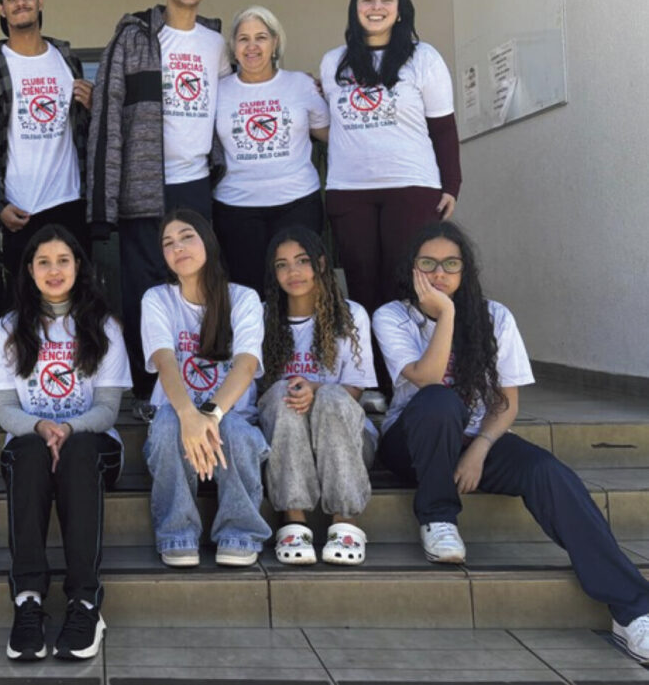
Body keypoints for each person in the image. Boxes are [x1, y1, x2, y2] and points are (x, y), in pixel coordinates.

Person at [374, 223, 649, 663]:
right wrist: (445, 314)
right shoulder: (393, 315)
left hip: (476, 441)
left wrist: (481, 448)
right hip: (413, 440)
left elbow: (506, 402)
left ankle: (633, 611)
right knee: (440, 400)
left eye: (450, 264)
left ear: (466, 270)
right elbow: (425, 379)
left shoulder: (495, 316)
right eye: (428, 264)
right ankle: (438, 516)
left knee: (548, 472)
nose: (439, 274)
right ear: (412, 270)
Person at [88, 0, 232, 403]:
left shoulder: (216, 45)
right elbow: (108, 111)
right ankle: (149, 389)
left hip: (195, 182)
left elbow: (235, 101)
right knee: (145, 289)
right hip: (142, 183)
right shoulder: (133, 37)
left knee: (197, 285)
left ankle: (198, 383)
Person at [0, 225, 130, 662]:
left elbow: (107, 410)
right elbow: (5, 410)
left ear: (78, 267)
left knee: (80, 451)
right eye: (43, 262)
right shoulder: (8, 329)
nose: (54, 270)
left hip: (93, 448)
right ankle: (28, 599)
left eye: (63, 260)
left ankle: (85, 602)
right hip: (32, 446)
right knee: (27, 451)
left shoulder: (103, 326)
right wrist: (43, 427)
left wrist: (67, 429)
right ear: (29, 270)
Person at [321, 0, 461, 392]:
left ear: (400, 10)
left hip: (412, 186)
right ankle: (372, 382)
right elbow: (329, 125)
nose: (376, 6)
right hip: (350, 190)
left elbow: (443, 128)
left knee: (407, 283)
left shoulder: (424, 58)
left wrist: (451, 185)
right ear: (355, 7)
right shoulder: (334, 62)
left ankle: (413, 379)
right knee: (362, 284)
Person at [140, 210, 269, 567]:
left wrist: (209, 414)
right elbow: (165, 361)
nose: (177, 247)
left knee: (235, 430)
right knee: (168, 425)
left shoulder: (242, 298)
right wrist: (188, 415)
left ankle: (240, 531)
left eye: (186, 237)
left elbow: (245, 364)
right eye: (168, 243)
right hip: (175, 413)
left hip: (231, 418)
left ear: (207, 243)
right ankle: (176, 533)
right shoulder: (157, 299)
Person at [0, 0, 92, 286]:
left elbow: (84, 132)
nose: (20, 2)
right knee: (25, 303)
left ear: (40, 2)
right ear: (1, 9)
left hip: (69, 201)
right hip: (20, 211)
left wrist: (92, 107)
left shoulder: (67, 59)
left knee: (78, 298)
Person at [259, 227, 375, 566]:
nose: (292, 272)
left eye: (302, 261)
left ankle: (345, 522)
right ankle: (294, 521)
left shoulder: (351, 315)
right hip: (283, 441)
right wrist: (301, 390)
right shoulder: (262, 315)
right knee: (285, 391)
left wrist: (316, 389)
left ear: (321, 264)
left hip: (344, 440)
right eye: (282, 265)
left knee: (333, 397)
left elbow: (355, 389)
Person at [212, 6, 328, 295]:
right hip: (236, 207)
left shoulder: (301, 85)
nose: (252, 46)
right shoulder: (217, 90)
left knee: (299, 289)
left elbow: (333, 136)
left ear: (275, 42)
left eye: (261, 37)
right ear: (233, 47)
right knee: (248, 292)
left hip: (298, 202)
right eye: (243, 39)